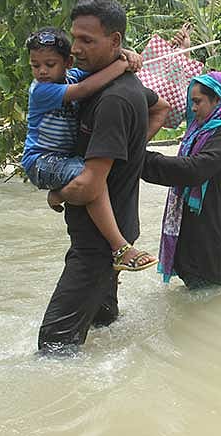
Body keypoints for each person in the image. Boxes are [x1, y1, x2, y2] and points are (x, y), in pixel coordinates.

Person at [37, 0, 170, 352]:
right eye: (75, 38)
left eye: (87, 41)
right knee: (103, 324)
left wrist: (56, 193)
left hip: (98, 245)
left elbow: (89, 185)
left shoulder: (113, 100)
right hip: (118, 231)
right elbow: (161, 108)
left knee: (54, 345)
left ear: (116, 42)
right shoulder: (119, 86)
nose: (76, 49)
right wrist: (126, 150)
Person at [22, 26, 157, 273]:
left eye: (49, 64)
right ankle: (120, 248)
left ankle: (59, 193)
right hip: (41, 161)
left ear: (67, 63)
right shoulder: (41, 90)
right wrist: (121, 65)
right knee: (92, 180)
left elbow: (97, 66)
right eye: (35, 65)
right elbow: (85, 90)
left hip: (62, 159)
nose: (41, 71)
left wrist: (124, 53)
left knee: (89, 176)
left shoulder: (72, 76)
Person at [142, 71, 221, 289]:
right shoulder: (202, 130)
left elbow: (195, 170)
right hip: (199, 239)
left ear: (218, 99)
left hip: (214, 245)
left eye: (198, 101)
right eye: (192, 102)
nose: (193, 108)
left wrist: (140, 161)